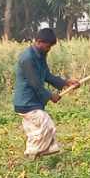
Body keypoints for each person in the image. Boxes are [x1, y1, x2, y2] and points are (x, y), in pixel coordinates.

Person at [13, 28, 78, 160]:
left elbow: (46, 75)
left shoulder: (40, 55)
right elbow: (35, 83)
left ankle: (34, 157)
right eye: (48, 46)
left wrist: (65, 82)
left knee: (35, 132)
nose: (49, 49)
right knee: (47, 125)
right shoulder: (28, 59)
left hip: (33, 101)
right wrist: (50, 96)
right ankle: (36, 152)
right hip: (27, 102)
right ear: (39, 42)